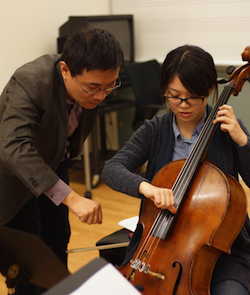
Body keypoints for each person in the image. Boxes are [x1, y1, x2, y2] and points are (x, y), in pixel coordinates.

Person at [101, 45, 250, 295]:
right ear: (163, 92)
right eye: (174, 95)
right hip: (156, 246)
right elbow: (112, 169)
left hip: (222, 252)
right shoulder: (155, 130)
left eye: (193, 96)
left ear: (210, 90)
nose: (183, 105)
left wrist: (243, 141)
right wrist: (146, 188)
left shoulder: (229, 129)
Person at [0, 28, 124, 294]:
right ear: (65, 70)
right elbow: (12, 146)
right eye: (93, 88)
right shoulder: (30, 80)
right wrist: (73, 198)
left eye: (109, 86)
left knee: (57, 241)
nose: (101, 96)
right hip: (11, 176)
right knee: (31, 262)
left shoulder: (95, 82)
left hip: (53, 165)